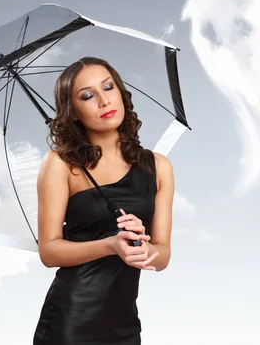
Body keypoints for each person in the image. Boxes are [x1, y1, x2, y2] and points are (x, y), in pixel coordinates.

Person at [32, 57, 175, 344]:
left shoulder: (159, 167)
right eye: (87, 95)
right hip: (71, 321)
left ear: (121, 92)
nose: (103, 100)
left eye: (108, 87)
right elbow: (49, 252)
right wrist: (110, 245)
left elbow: (163, 256)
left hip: (124, 324)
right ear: (74, 113)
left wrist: (142, 246)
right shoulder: (61, 163)